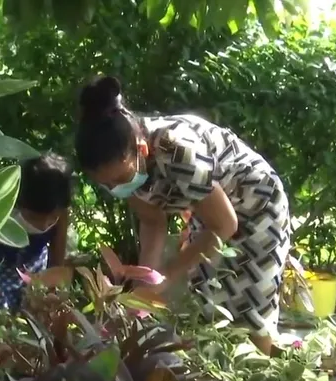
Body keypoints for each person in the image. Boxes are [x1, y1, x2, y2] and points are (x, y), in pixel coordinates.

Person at [74, 76, 292, 354]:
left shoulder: (178, 150)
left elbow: (224, 225)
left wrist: (164, 278)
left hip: (257, 204)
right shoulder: (122, 162)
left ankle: (271, 378)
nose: (115, 188)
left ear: (140, 149)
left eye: (119, 179)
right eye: (106, 184)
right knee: (211, 307)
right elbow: (152, 222)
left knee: (253, 313)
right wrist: (144, 287)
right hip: (211, 212)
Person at [0, 153, 72, 312]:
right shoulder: (1, 213)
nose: (44, 226)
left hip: (35, 267)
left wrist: (50, 291)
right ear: (20, 203)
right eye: (34, 218)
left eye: (52, 218)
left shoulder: (62, 214)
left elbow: (57, 263)